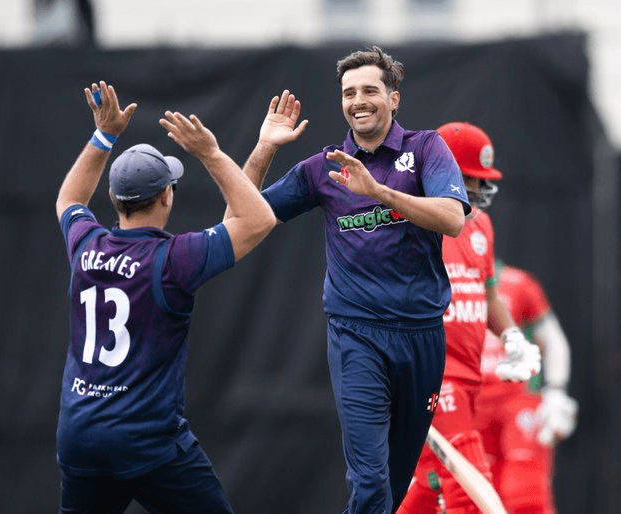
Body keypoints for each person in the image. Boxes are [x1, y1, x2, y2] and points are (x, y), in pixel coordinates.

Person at [228, 46, 471, 513]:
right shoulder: (325, 167)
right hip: (356, 334)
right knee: (370, 481)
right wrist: (264, 148)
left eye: (369, 90)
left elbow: (452, 219)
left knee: (392, 488)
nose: (358, 101)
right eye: (349, 93)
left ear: (393, 98)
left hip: (422, 335)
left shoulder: (425, 148)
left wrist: (378, 191)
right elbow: (240, 216)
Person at [54, 80, 276, 513]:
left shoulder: (86, 245)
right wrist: (211, 153)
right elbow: (259, 219)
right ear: (166, 195)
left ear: (114, 198)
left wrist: (104, 135)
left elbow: (70, 197)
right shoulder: (173, 259)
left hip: (80, 435)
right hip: (145, 442)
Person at [396, 122, 542, 514]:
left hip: (468, 374)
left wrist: (512, 338)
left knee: (431, 484)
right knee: (468, 484)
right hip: (431, 374)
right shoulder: (412, 219)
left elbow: (487, 293)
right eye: (472, 178)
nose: (480, 188)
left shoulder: (481, 224)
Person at [476, 261, 578, 514]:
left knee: (525, 494)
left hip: (518, 399)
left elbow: (553, 339)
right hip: (471, 403)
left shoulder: (519, 284)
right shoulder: (443, 285)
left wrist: (556, 392)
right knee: (476, 495)